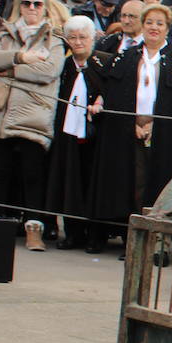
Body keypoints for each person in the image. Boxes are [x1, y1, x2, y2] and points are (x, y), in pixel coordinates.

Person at [90, 3, 172, 234]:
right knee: (133, 179)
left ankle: (158, 231)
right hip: (129, 129)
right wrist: (132, 123)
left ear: (167, 28)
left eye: (159, 23)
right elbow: (115, 94)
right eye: (149, 22)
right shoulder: (127, 57)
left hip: (163, 132)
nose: (154, 27)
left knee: (158, 180)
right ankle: (129, 231)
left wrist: (155, 124)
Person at [0, 0, 67, 251]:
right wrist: (22, 56)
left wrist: (11, 69)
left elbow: (48, 70)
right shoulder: (6, 32)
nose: (31, 8)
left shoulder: (54, 37)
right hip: (1, 113)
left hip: (33, 114)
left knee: (33, 175)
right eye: (26, 3)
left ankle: (34, 229)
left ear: (45, 8)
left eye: (37, 4)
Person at [46, 15, 114, 252]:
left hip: (96, 137)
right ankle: (73, 232)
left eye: (82, 37)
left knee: (93, 184)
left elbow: (113, 92)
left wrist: (102, 100)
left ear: (92, 37)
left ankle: (96, 236)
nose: (77, 42)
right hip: (69, 136)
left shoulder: (105, 63)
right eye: (72, 38)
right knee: (69, 182)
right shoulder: (64, 66)